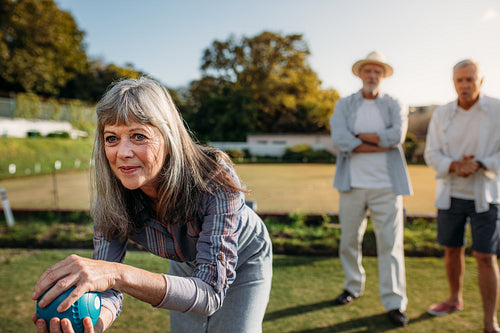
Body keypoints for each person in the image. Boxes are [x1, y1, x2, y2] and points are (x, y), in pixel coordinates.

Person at [31, 77, 273, 333]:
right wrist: (93, 326)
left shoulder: (215, 179)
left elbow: (209, 293)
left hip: (244, 256)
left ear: (168, 137)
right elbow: (108, 290)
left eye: (138, 136)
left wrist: (116, 273)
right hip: (186, 260)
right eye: (112, 138)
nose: (122, 152)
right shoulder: (113, 194)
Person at [329, 51, 413, 327]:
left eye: (377, 71)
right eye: (368, 71)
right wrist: (377, 142)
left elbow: (395, 137)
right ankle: (353, 286)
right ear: (360, 74)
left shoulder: (395, 103)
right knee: (349, 240)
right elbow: (340, 139)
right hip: (352, 184)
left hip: (387, 187)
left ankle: (394, 301)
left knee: (390, 245)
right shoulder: (344, 104)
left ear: (383, 76)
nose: (372, 76)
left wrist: (358, 139)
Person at [424, 59, 500, 333]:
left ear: (481, 80)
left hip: (486, 195)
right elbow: (431, 154)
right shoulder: (442, 113)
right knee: (452, 249)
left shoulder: (497, 110)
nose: (465, 85)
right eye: (460, 80)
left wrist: (479, 164)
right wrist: (456, 166)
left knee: (485, 256)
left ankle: (490, 321)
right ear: (453, 82)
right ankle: (454, 299)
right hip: (450, 193)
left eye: (470, 79)